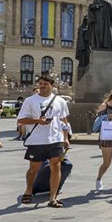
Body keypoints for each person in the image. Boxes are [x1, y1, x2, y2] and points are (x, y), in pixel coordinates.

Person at [17, 75, 71, 208]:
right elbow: (21, 120)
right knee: (33, 168)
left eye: (45, 84)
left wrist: (65, 138)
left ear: (52, 86)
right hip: (36, 140)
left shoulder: (60, 101)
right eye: (40, 83)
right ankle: (28, 190)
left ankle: (53, 198)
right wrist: (37, 121)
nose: (42, 86)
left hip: (55, 139)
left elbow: (64, 121)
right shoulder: (30, 100)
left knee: (56, 166)